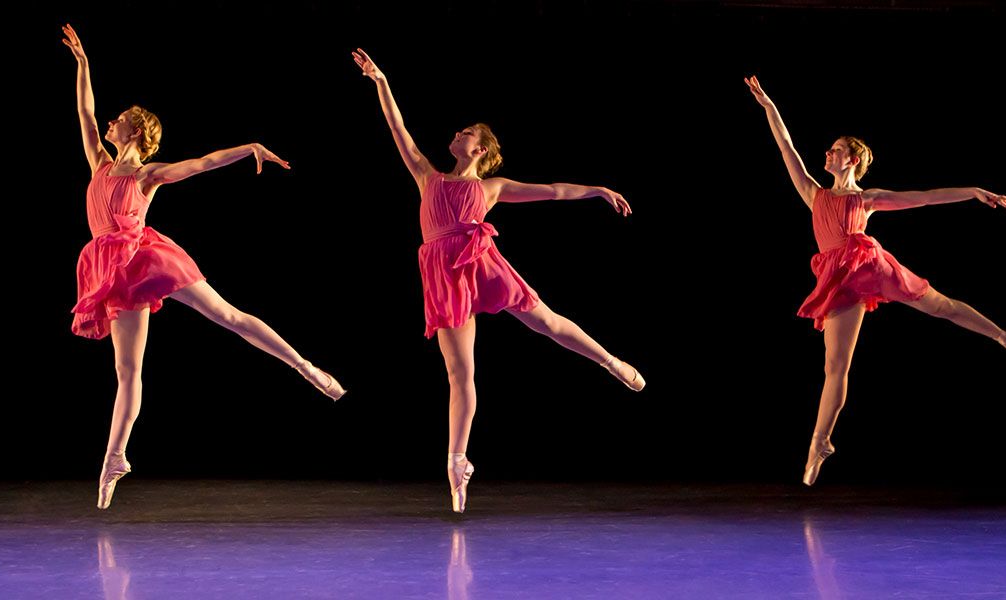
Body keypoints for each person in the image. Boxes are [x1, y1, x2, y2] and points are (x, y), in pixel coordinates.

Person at [63, 24, 346, 509]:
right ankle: (115, 458)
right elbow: (85, 114)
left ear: (136, 131)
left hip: (146, 256)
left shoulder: (148, 174)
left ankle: (306, 367)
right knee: (127, 370)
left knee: (228, 316)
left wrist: (249, 147)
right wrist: (84, 64)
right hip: (112, 268)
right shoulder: (99, 164)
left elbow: (202, 162)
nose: (110, 122)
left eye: (120, 119)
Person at [354, 48, 645, 512]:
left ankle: (610, 361)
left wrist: (597, 190)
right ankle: (457, 464)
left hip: (480, 261)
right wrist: (381, 81)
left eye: (466, 132)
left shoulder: (491, 187)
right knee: (460, 373)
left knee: (547, 322)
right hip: (444, 273)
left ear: (481, 150)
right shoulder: (427, 175)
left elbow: (553, 191)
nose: (457, 133)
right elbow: (397, 128)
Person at [744, 75, 1006, 486]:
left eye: (836, 149)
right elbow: (786, 146)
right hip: (838, 279)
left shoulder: (866, 198)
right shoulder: (814, 193)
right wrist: (769, 107)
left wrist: (973, 191)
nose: (828, 152)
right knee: (835, 365)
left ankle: (1002, 336)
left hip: (869, 264)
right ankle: (820, 442)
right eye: (830, 148)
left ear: (852, 160)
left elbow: (925, 196)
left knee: (941, 306)